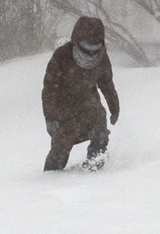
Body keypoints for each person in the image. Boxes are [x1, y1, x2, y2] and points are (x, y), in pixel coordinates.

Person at [41, 16, 120, 171]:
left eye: (95, 47)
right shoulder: (62, 56)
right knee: (61, 147)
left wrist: (114, 107)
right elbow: (49, 89)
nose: (91, 52)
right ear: (76, 41)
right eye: (86, 46)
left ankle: (95, 164)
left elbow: (106, 83)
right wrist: (50, 117)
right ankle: (50, 177)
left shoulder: (102, 56)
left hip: (90, 103)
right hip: (64, 108)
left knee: (100, 132)